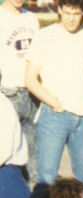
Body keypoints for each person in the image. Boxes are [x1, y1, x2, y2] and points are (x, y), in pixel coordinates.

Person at [24, 0, 83, 198]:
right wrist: (55, 103)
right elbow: (30, 79)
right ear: (59, 10)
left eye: (76, 13)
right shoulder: (45, 36)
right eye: (67, 12)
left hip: (82, 118)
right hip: (54, 116)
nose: (71, 18)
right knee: (46, 178)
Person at [0, 0, 39, 186]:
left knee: (33, 163)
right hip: (8, 94)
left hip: (32, 95)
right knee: (7, 159)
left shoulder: (31, 18)